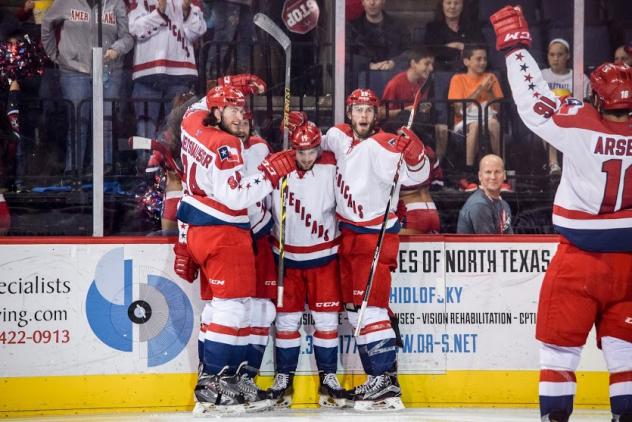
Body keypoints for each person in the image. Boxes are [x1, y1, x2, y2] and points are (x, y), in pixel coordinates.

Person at [491, 6, 632, 421]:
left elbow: (531, 99)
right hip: (628, 265)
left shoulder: (580, 123)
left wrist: (516, 47)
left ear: (596, 99)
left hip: (580, 260)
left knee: (559, 349)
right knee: (625, 350)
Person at [173, 83, 295, 414]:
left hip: (208, 229)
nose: (240, 114)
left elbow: (192, 108)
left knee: (245, 310)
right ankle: (212, 384)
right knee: (231, 309)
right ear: (217, 113)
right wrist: (270, 174)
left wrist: (228, 84)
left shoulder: (193, 123)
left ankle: (232, 381)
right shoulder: (227, 144)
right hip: (224, 231)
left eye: (242, 109)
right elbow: (236, 196)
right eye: (233, 108)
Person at [322, 88, 429, 411]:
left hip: (375, 237)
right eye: (358, 110)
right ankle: (379, 380)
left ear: (376, 114)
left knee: (373, 309)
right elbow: (322, 141)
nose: (364, 116)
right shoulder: (339, 138)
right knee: (358, 310)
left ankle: (384, 382)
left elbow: (419, 174)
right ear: (349, 112)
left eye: (369, 110)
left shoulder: (384, 144)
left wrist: (415, 154)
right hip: (349, 238)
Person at [266, 120, 350, 409]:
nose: (305, 157)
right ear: (293, 148)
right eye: (300, 152)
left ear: (319, 148)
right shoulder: (277, 170)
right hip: (287, 261)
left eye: (311, 151)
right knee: (286, 323)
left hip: (324, 259)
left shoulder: (331, 167)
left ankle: (328, 378)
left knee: (326, 323)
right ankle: (283, 379)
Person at [41, 0, 134, 176]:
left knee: (105, 120)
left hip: (109, 69)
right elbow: (47, 24)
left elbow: (128, 36)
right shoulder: (66, 2)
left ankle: (103, 166)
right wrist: (55, 55)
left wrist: (116, 49)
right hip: (74, 71)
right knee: (78, 121)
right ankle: (74, 168)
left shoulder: (115, 4)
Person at [128, 0, 206, 165]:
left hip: (181, 73)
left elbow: (197, 31)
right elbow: (136, 29)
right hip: (147, 72)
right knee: (145, 128)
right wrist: (160, 12)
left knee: (177, 129)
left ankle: (175, 172)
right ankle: (146, 172)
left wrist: (187, 11)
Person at [381, 47, 449, 170]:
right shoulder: (395, 83)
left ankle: (437, 168)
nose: (431, 68)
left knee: (442, 129)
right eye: (427, 64)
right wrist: (407, 110)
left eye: (432, 64)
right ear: (413, 63)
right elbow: (381, 113)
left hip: (420, 122)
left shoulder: (427, 83)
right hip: (398, 126)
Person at [447, 44, 504, 191]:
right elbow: (459, 110)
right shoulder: (458, 79)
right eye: (478, 59)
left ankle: (500, 169)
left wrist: (490, 92)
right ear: (467, 61)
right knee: (475, 125)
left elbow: (497, 109)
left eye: (485, 59)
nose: (483, 63)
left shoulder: (491, 78)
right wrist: (480, 90)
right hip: (465, 122)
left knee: (494, 123)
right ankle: (469, 173)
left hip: (488, 117)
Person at [541, 38, 591, 179]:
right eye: (552, 55)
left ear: (568, 56)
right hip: (548, 117)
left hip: (572, 117)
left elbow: (587, 101)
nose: (555, 58)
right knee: (551, 124)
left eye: (560, 54)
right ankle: (554, 164)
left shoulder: (580, 77)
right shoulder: (542, 75)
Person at [346, 0, 410, 89]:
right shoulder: (352, 28)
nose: (372, 3)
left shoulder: (399, 26)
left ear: (383, 1)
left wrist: (393, 62)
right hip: (361, 88)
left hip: (394, 86)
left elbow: (409, 52)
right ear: (362, 2)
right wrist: (368, 65)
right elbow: (347, 56)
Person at [456, 154, 512, 234]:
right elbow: (489, 244)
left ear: (504, 175)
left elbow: (510, 240)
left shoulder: (504, 205)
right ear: (480, 176)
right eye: (488, 172)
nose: (493, 177)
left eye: (497, 172)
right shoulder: (479, 205)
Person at [423, 0, 483, 71]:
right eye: (448, 3)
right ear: (442, 5)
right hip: (441, 71)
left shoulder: (472, 27)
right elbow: (433, 52)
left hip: (468, 72)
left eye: (456, 3)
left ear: (463, 6)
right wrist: (461, 48)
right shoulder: (433, 28)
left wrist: (449, 47)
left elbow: (481, 49)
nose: (452, 7)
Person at [399, 146, 442, 234]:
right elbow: (438, 183)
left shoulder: (393, 152)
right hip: (431, 209)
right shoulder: (428, 150)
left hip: (410, 211)